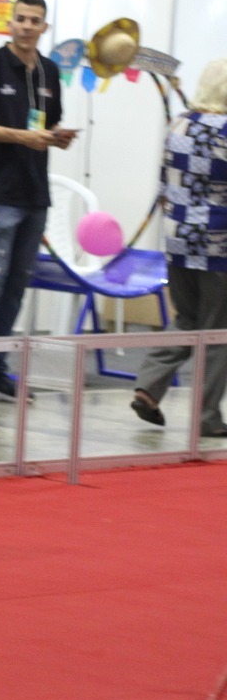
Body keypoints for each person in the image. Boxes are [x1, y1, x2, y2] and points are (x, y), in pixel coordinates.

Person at [0, 0, 77, 405]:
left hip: (34, 194)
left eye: (34, 20)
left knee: (16, 287)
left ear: (45, 28)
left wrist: (57, 138)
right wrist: (19, 136)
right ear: (10, 23)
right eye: (20, 19)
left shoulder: (50, 71)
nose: (26, 26)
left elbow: (47, 124)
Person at [131, 58, 227, 438]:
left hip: (178, 242)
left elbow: (164, 183)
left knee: (187, 321)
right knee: (218, 332)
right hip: (219, 245)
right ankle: (206, 417)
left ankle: (148, 388)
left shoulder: (179, 125)